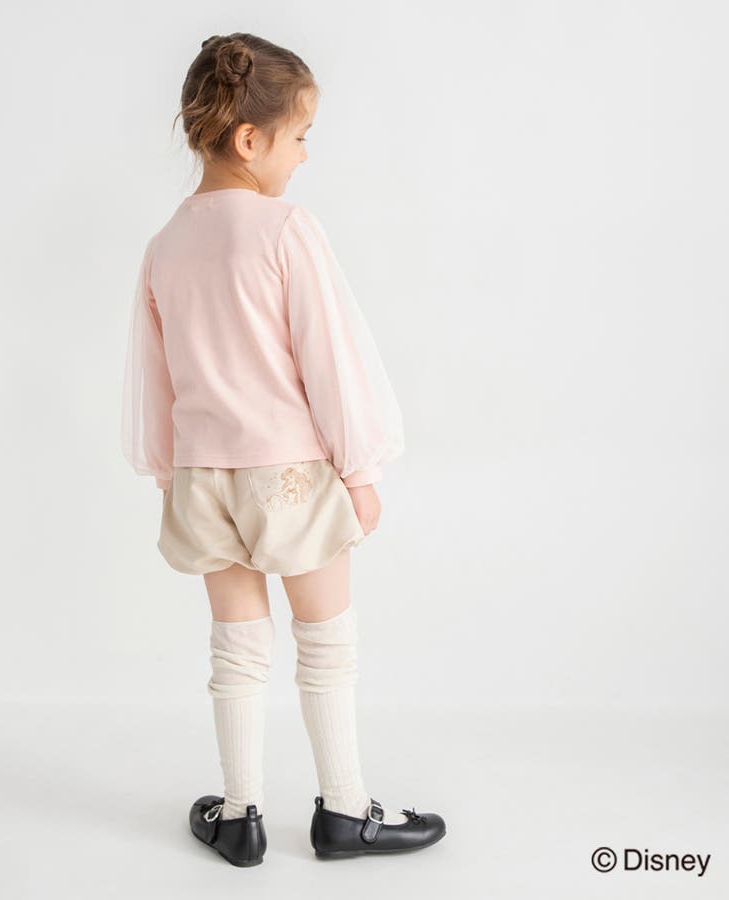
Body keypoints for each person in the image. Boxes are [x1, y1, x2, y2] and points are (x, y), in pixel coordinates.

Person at [120, 32, 446, 866]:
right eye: (299, 137)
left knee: (236, 649)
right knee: (325, 639)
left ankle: (239, 817)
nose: (303, 156)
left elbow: (155, 375)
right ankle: (346, 812)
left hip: (202, 476)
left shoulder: (164, 245)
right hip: (290, 475)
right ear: (249, 139)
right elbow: (328, 358)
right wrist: (360, 469)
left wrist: (168, 474)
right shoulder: (285, 230)